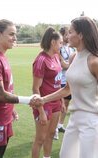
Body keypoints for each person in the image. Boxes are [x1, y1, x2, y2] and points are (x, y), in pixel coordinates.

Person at [31, 16, 98, 158]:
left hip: (91, 120)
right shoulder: (74, 57)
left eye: (71, 31)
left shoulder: (94, 61)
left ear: (80, 35)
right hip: (74, 119)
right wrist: (43, 100)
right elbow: (67, 89)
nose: (67, 36)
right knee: (65, 155)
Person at [0, 19, 35, 158]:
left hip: (3, 117)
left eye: (15, 34)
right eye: (11, 34)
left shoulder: (1, 56)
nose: (15, 38)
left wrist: (11, 109)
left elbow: (5, 89)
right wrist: (29, 100)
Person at [32, 27, 63, 158]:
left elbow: (58, 81)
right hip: (44, 104)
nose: (62, 45)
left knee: (50, 135)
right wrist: (41, 111)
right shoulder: (41, 60)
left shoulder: (56, 56)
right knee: (40, 139)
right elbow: (35, 88)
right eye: (60, 43)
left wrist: (61, 100)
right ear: (52, 42)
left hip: (56, 103)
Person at [54, 26, 76, 140]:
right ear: (62, 35)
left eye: (70, 33)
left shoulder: (72, 49)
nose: (69, 36)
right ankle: (54, 129)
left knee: (66, 104)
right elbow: (64, 65)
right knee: (60, 105)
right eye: (67, 34)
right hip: (61, 80)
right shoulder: (59, 49)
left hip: (70, 80)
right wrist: (72, 65)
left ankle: (60, 125)